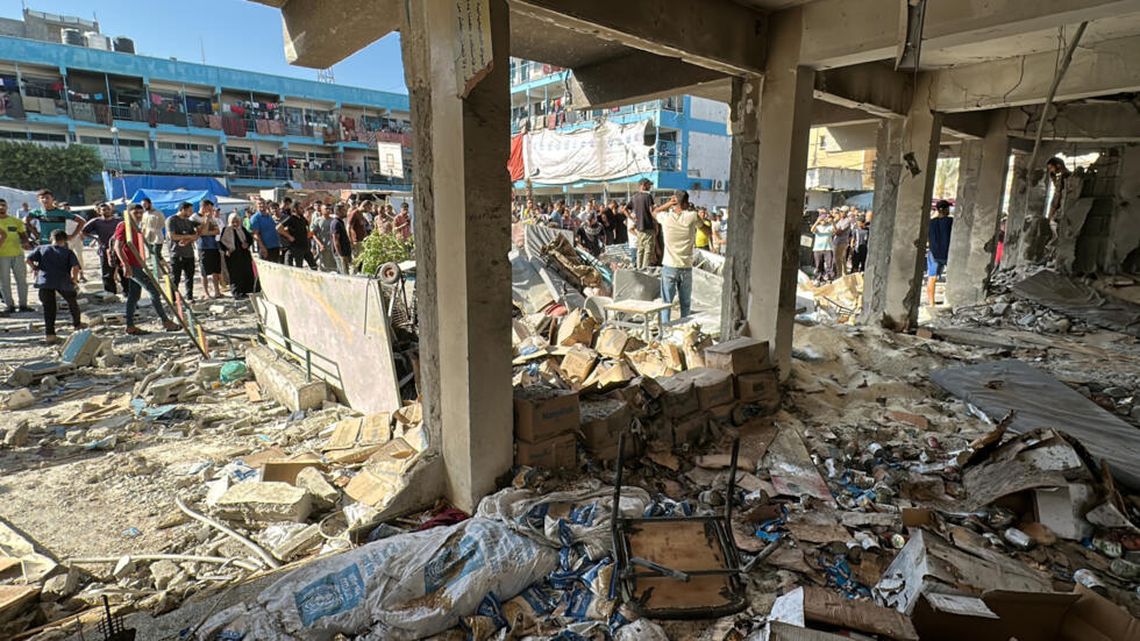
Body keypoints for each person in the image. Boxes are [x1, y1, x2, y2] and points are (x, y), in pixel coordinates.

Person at [112, 204, 179, 335]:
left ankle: (130, 326)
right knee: (154, 291)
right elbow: (117, 246)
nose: (138, 215)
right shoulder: (124, 225)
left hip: (137, 264)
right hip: (131, 266)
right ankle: (165, 321)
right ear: (129, 213)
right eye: (135, 212)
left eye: (140, 212)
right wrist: (125, 264)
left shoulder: (137, 227)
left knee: (134, 296)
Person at [25, 229, 84, 344]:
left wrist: (35, 268)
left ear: (51, 238)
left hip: (45, 281)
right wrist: (74, 280)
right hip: (63, 281)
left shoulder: (41, 248)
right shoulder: (68, 252)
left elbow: (28, 259)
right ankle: (77, 325)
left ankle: (50, 334)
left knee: (49, 309)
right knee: (72, 303)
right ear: (65, 240)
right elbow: (76, 267)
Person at [653, 190, 699, 325]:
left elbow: (654, 211)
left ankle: (666, 329)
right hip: (685, 266)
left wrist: (667, 204)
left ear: (674, 202)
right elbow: (704, 227)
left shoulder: (666, 218)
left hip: (669, 266)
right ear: (686, 202)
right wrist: (690, 208)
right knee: (685, 304)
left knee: (666, 302)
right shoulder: (692, 217)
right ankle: (685, 328)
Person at [82, 203, 123, 295]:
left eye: (108, 209)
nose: (106, 211)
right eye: (103, 210)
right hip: (105, 249)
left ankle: (127, 292)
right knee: (107, 273)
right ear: (99, 211)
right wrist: (96, 238)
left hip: (119, 248)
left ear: (111, 210)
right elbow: (83, 231)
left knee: (122, 270)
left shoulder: (118, 221)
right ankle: (110, 293)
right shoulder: (96, 221)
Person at [0, 199, 33, 314]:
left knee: (22, 281)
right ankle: (10, 306)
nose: (1, 208)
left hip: (18, 254)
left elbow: (23, 235)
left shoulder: (15, 221)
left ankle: (23, 305)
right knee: (4, 282)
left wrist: (25, 242)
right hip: (2, 256)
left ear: (7, 207)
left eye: (3, 205)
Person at [166, 202, 199, 301]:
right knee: (175, 278)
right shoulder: (172, 220)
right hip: (176, 253)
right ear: (182, 209)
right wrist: (188, 236)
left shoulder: (189, 222)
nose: (191, 212)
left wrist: (188, 239)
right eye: (189, 210)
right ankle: (172, 299)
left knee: (189, 277)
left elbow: (195, 236)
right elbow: (172, 236)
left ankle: (189, 297)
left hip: (189, 253)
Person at [219, 212, 257, 298]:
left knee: (245, 272)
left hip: (243, 254)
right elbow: (221, 242)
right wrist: (226, 250)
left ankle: (247, 291)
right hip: (232, 256)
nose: (235, 223)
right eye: (233, 221)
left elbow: (249, 239)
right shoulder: (226, 230)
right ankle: (237, 293)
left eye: (237, 221)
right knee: (235, 275)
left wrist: (247, 244)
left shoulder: (242, 229)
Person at [193, 200, 224, 299]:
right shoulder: (195, 217)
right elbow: (201, 233)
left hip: (214, 246)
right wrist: (206, 221)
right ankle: (206, 292)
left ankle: (217, 291)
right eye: (210, 208)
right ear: (204, 207)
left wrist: (207, 230)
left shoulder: (212, 218)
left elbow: (217, 231)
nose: (211, 211)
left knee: (215, 270)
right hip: (203, 247)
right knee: (204, 271)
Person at [927, 200, 954, 307]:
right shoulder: (951, 221)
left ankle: (931, 303)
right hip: (947, 252)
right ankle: (949, 301)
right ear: (947, 209)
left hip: (933, 253)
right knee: (951, 276)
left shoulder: (931, 222)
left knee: (931, 278)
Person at [631, 178, 657, 268]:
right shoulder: (648, 196)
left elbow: (624, 209)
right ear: (643, 185)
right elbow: (651, 211)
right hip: (648, 227)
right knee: (648, 250)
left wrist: (632, 218)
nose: (650, 186)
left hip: (639, 228)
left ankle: (639, 269)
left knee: (640, 250)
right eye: (649, 185)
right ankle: (645, 270)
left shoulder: (634, 197)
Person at [139, 197, 166, 272]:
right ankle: (162, 269)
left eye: (145, 204)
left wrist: (155, 229)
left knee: (156, 253)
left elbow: (163, 223)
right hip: (147, 236)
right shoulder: (144, 214)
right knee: (152, 254)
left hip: (157, 236)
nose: (144, 206)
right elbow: (142, 225)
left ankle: (162, 270)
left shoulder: (158, 213)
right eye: (142, 205)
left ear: (149, 204)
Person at [810, 210, 835, 286]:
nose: (823, 221)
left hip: (828, 248)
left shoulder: (829, 227)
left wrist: (832, 222)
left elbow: (835, 230)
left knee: (829, 265)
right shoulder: (818, 227)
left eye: (824, 220)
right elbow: (812, 230)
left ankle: (829, 278)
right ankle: (818, 278)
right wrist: (817, 221)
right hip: (818, 249)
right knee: (818, 265)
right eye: (822, 220)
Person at [310, 203, 336, 271]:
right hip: (323, 247)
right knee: (324, 266)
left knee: (334, 266)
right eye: (326, 209)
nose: (328, 210)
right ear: (321, 210)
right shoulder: (318, 220)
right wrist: (320, 244)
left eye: (329, 209)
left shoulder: (333, 220)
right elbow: (312, 234)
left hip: (333, 247)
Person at [330, 203, 353, 274]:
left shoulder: (340, 222)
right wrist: (341, 255)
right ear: (338, 212)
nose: (345, 212)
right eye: (343, 210)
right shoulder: (335, 223)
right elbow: (336, 240)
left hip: (345, 253)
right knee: (344, 274)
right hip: (341, 254)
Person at [832, 208, 854, 278]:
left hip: (841, 242)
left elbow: (838, 232)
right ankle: (844, 274)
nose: (840, 213)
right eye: (840, 211)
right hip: (837, 242)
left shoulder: (847, 221)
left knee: (838, 259)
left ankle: (839, 275)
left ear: (846, 212)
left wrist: (832, 223)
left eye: (842, 211)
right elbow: (834, 230)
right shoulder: (840, 221)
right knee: (841, 258)